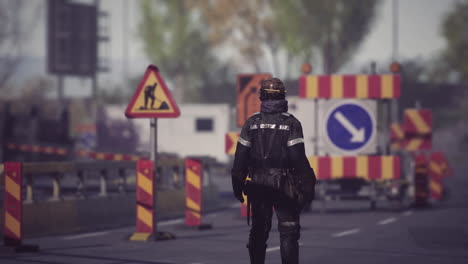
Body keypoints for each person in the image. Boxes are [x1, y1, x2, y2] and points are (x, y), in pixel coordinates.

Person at [231, 77, 316, 264]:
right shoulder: (292, 123)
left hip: (258, 184)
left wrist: (237, 185)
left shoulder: (251, 123)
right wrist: (309, 184)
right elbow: (298, 159)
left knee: (259, 232)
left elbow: (240, 159)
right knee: (289, 231)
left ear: (261, 96)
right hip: (285, 186)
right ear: (283, 97)